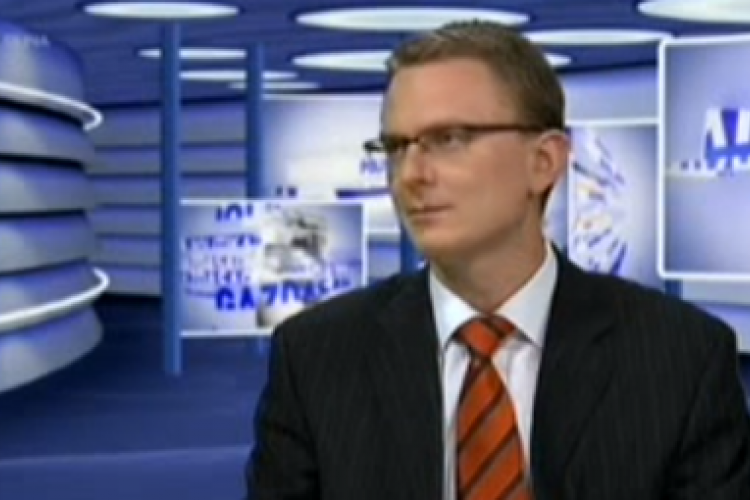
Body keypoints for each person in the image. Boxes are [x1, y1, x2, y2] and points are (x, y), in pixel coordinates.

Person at [245, 20, 750, 500]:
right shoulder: (316, 357)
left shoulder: (680, 358)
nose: (411, 174)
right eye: (397, 147)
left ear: (544, 161)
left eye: (449, 139)